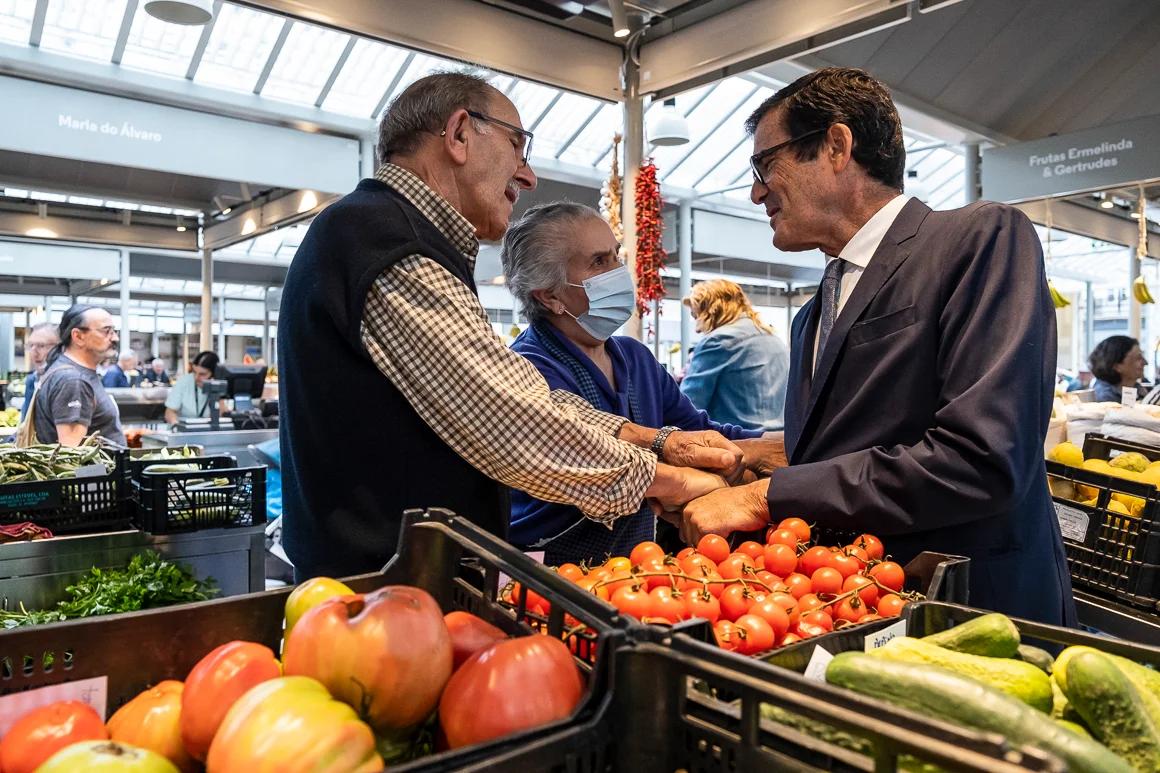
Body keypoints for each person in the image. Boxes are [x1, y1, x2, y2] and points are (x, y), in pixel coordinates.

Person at [279, 71, 740, 580]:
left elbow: (525, 398)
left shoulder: (395, 235)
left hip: (401, 579)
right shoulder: (383, 241)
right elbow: (513, 422)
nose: (528, 176)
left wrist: (661, 443)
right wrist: (669, 480)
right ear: (459, 134)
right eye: (518, 146)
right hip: (384, 587)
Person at [680, 67, 1074, 626]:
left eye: (765, 165)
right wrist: (745, 459)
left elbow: (979, 458)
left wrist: (765, 497)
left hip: (972, 611)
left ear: (837, 146)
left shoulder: (979, 239)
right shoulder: (813, 313)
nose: (755, 191)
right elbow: (857, 440)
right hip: (855, 606)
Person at [501, 202, 764, 564]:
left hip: (633, 567)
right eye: (598, 262)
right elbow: (587, 459)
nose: (618, 272)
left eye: (615, 256)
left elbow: (699, 432)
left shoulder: (634, 358)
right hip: (550, 570)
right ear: (550, 295)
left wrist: (779, 447)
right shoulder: (526, 369)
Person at [680, 279, 790, 431]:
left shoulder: (718, 341)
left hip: (738, 444)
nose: (697, 329)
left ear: (711, 309)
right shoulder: (774, 338)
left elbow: (686, 407)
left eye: (696, 316)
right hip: (780, 441)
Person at [33, 304, 126, 447]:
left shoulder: (75, 373)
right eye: (106, 331)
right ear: (78, 336)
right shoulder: (72, 380)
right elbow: (71, 454)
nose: (115, 338)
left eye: (114, 331)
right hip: (97, 470)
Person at [165, 350, 221, 425]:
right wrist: (176, 425)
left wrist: (216, 392)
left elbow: (222, 415)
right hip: (184, 431)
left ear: (214, 374)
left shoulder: (221, 385)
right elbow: (169, 412)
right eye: (194, 372)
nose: (196, 377)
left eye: (202, 374)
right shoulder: (184, 381)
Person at [19, 322, 60, 420]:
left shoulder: (65, 382)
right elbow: (25, 422)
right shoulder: (32, 380)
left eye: (41, 345)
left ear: (59, 348)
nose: (34, 352)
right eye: (30, 345)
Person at [1089, 336, 1147, 402]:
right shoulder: (1104, 400)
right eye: (1138, 358)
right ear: (1117, 366)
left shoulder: (1137, 389)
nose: (1145, 363)